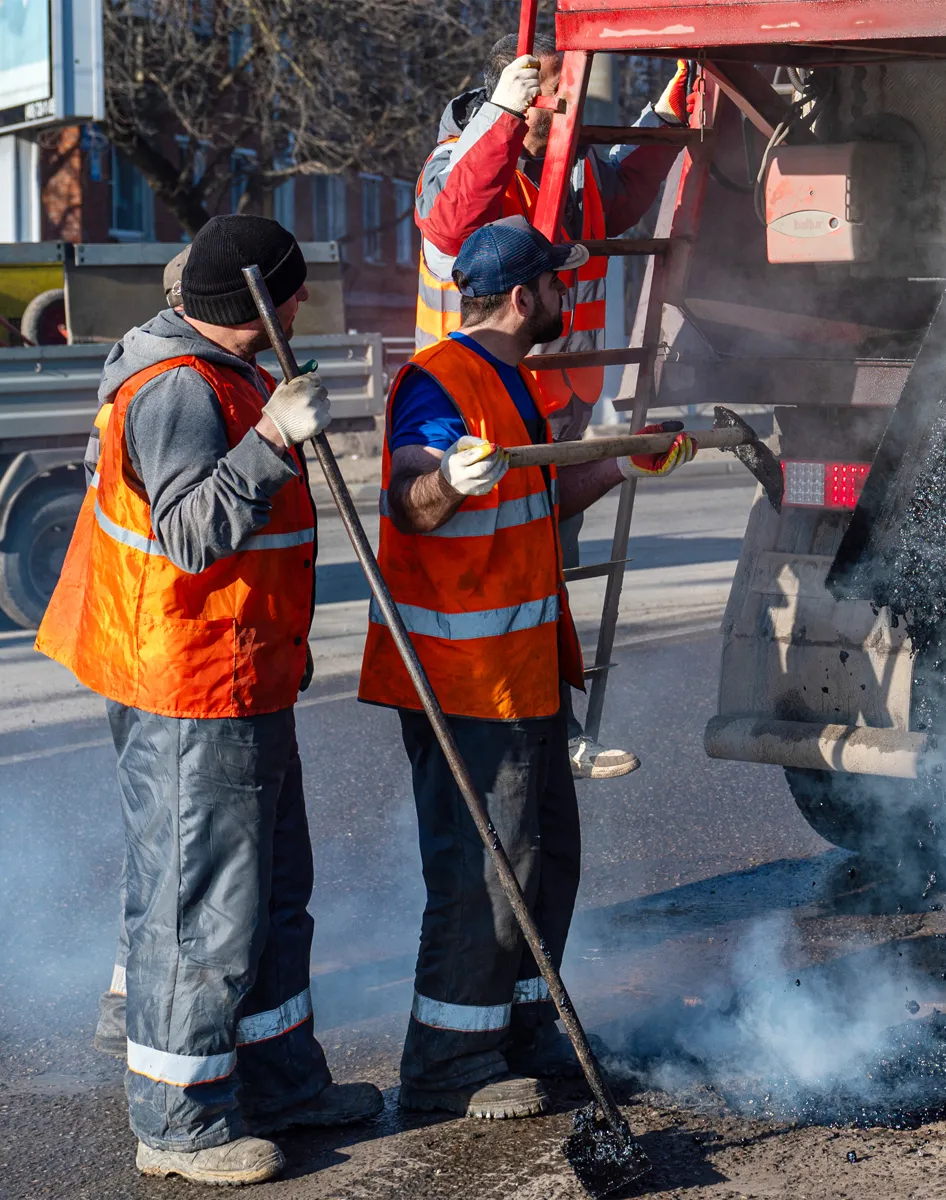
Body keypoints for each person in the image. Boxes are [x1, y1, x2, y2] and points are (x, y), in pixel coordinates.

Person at [37, 214, 383, 1186]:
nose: (305, 303)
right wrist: (273, 438)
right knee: (203, 912)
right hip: (193, 686)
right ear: (260, 305)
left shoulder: (218, 366)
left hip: (241, 673)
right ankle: (178, 1120)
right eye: (292, 290)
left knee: (271, 894)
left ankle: (279, 1083)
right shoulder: (180, 390)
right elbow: (194, 533)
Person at [360, 217, 694, 1118]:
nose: (568, 298)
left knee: (546, 864)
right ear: (522, 296)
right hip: (465, 682)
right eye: (557, 285)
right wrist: (446, 483)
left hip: (521, 675)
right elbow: (411, 496)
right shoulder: (441, 379)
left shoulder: (510, 380)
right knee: (486, 876)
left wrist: (625, 458)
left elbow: (538, 498)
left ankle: (523, 1031)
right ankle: (446, 1067)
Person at [415, 35, 695, 779]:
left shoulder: (567, 164)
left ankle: (548, 729)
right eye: (552, 103)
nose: (565, 115)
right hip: (468, 410)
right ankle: (488, 731)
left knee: (542, 578)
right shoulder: (461, 158)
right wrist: (504, 120)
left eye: (568, 103)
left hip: (552, 403)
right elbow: (447, 231)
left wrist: (674, 110)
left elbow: (627, 187)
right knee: (486, 583)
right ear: (513, 98)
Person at [94, 242, 194, 1061]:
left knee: (158, 828)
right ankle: (136, 1000)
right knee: (170, 830)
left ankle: (131, 988)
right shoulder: (169, 387)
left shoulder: (132, 366)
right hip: (159, 643)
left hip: (134, 638)